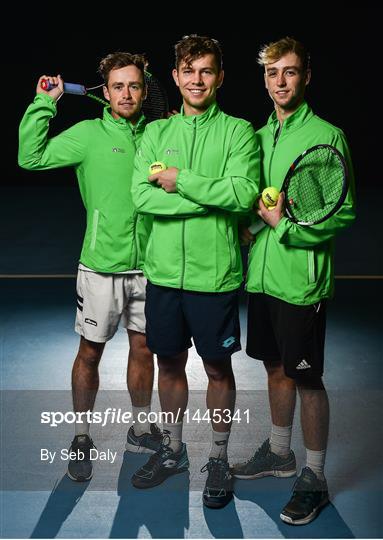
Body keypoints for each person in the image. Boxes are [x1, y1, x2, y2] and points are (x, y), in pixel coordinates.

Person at [18, 52, 162, 482]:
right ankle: (81, 436)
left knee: (143, 348)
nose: (126, 93)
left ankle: (139, 428)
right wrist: (45, 103)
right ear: (106, 91)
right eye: (117, 86)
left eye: (134, 85)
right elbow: (31, 156)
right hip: (100, 267)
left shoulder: (158, 134)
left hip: (152, 266)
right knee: (89, 353)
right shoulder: (87, 135)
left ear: (145, 89)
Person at [131, 35, 260, 509]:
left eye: (206, 71)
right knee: (168, 364)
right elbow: (141, 197)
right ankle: (173, 449)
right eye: (189, 71)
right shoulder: (154, 135)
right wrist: (207, 199)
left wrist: (178, 181)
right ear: (176, 77)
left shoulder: (239, 132)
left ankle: (221, 458)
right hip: (163, 275)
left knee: (217, 367)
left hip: (215, 277)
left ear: (219, 77)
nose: (197, 80)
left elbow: (243, 194)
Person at [232, 37, 356, 525]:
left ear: (306, 76)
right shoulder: (259, 137)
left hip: (301, 282)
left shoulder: (327, 136)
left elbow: (340, 212)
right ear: (263, 79)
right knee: (274, 366)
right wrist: (251, 228)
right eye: (271, 73)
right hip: (262, 279)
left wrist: (283, 226)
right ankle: (281, 454)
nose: (279, 81)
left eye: (289, 72)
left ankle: (315, 476)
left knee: (306, 376)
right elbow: (260, 206)